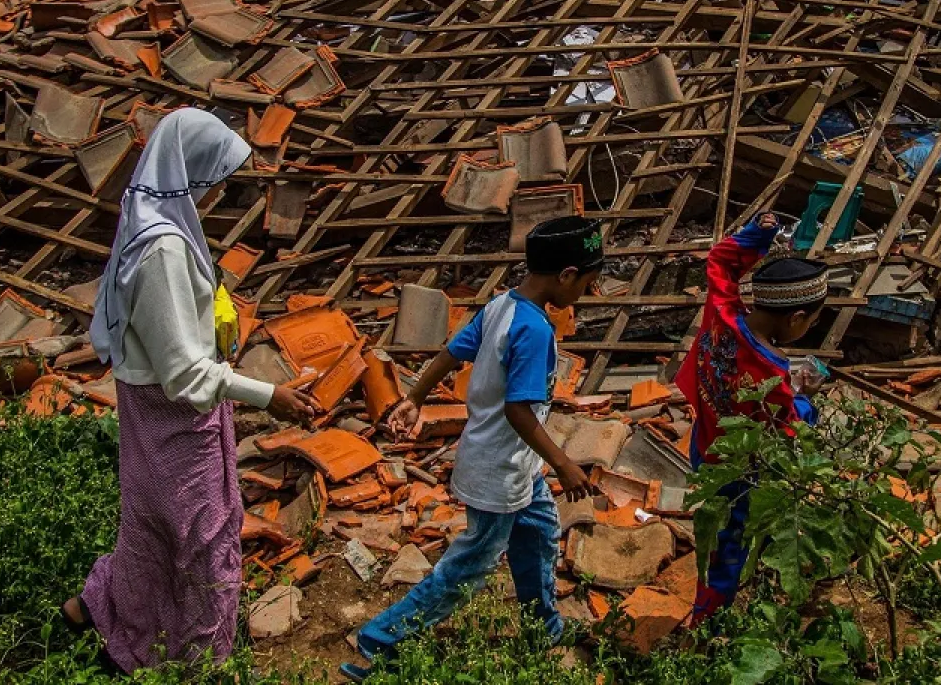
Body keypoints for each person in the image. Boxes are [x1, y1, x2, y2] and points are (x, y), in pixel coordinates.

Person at [61, 108, 314, 672]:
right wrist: (271, 395)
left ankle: (98, 611)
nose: (221, 189)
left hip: (159, 408)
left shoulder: (153, 218)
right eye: (217, 173)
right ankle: (195, 657)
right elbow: (185, 374)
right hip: (172, 413)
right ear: (191, 168)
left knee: (152, 527)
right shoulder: (163, 251)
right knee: (200, 537)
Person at [342, 215, 604, 682]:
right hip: (498, 473)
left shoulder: (502, 304)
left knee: (540, 537)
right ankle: (381, 641)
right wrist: (563, 463)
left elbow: (451, 351)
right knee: (468, 567)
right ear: (565, 275)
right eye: (587, 282)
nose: (586, 293)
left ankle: (543, 628)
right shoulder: (536, 330)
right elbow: (519, 411)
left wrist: (414, 398)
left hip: (513, 467)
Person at [674, 211, 829, 624]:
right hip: (739, 476)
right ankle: (706, 627)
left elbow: (719, 261)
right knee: (726, 553)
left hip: (704, 444)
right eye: (811, 321)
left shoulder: (724, 313)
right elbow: (793, 427)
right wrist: (806, 398)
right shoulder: (772, 375)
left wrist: (757, 236)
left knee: (718, 541)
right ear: (796, 318)